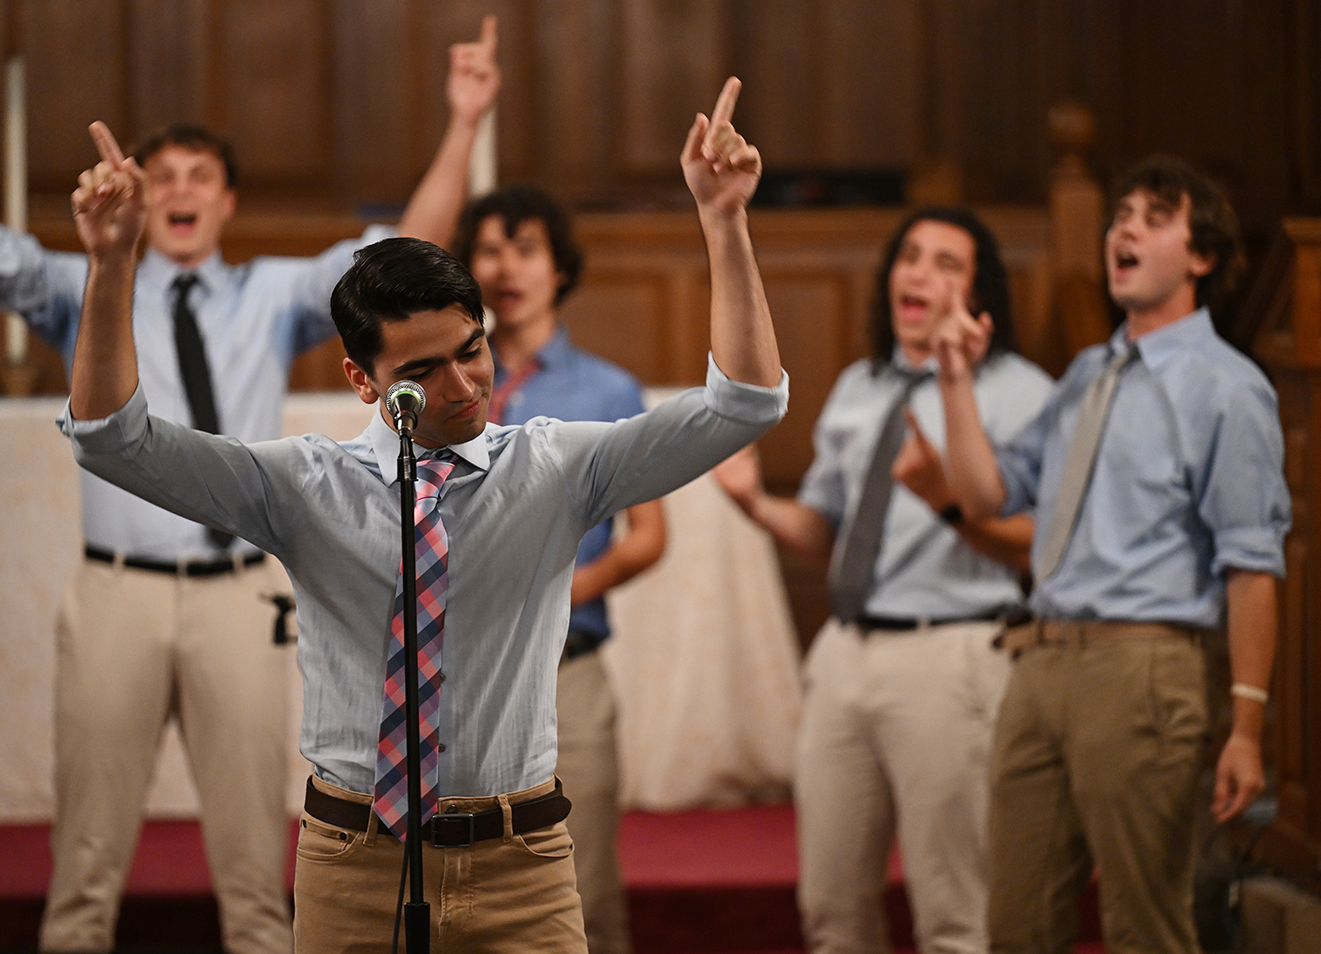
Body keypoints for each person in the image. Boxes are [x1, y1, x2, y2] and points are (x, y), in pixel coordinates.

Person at [60, 77, 785, 954]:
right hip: (353, 860)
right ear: (362, 381)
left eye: (472, 351)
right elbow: (112, 441)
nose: (462, 387)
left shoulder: (553, 468)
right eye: (422, 370)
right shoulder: (304, 487)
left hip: (521, 862)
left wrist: (725, 220)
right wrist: (109, 266)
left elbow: (744, 404)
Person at [0, 7, 500, 954]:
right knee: (84, 866)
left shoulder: (270, 296)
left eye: (200, 179)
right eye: (162, 176)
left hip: (240, 598)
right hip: (118, 594)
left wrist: (464, 120)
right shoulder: (91, 278)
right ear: (137, 193)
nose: (179, 192)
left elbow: (393, 264)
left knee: (258, 871)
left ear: (224, 203)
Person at [933, 157, 1290, 954]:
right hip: (1042, 661)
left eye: (1152, 217)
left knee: (1145, 928)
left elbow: (1253, 564)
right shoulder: (1090, 373)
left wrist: (1247, 724)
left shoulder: (1227, 388)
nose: (1122, 227)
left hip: (1144, 668)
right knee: (1016, 925)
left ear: (1201, 257)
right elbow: (987, 495)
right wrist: (955, 382)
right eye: (1119, 214)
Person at [714, 208, 1053, 954]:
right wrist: (758, 506)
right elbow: (826, 531)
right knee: (831, 912)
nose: (920, 274)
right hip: (843, 654)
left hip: (952, 652)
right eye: (910, 256)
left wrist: (950, 499)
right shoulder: (858, 387)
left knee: (956, 915)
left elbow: (1039, 545)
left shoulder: (1019, 391)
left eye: (946, 264)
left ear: (978, 292)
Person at [452, 184, 667, 954]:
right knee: (459, 885)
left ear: (559, 267)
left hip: (562, 668)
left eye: (527, 248)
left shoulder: (605, 391)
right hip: (455, 670)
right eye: (490, 250)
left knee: (584, 888)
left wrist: (560, 589)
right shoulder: (444, 386)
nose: (508, 268)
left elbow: (647, 535)